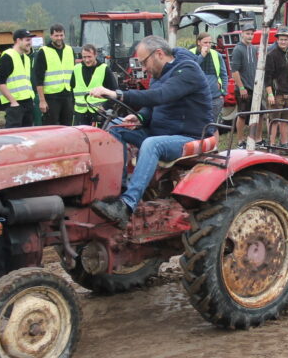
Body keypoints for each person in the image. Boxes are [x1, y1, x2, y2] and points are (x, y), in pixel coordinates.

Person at [89, 36, 212, 227]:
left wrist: (117, 94)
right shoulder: (158, 74)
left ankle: (126, 206)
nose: (144, 69)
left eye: (144, 62)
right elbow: (152, 105)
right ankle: (118, 191)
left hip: (187, 135)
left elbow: (162, 95)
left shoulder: (188, 71)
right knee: (114, 128)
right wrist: (140, 118)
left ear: (159, 54)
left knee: (151, 144)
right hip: (158, 131)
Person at [34, 24, 75, 126]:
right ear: (51, 36)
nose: (59, 38)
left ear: (64, 36)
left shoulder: (70, 50)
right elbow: (38, 78)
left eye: (61, 35)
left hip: (67, 96)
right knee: (51, 127)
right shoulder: (43, 51)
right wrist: (42, 101)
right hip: (51, 97)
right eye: (56, 35)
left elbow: (73, 75)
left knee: (67, 127)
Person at [263, 29, 288, 148]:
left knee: (286, 120)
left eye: (286, 40)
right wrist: (270, 94)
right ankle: (272, 144)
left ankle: (284, 143)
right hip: (277, 93)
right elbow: (267, 76)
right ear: (277, 40)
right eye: (281, 39)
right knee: (274, 120)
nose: (283, 42)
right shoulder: (271, 55)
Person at [0, 29, 36, 128]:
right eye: (27, 40)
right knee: (14, 136)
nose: (30, 43)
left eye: (30, 40)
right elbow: (0, 82)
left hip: (27, 102)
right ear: (18, 41)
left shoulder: (27, 59)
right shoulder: (8, 56)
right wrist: (13, 102)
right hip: (15, 105)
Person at [229, 25, 261, 143]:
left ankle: (258, 139)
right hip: (244, 88)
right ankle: (240, 141)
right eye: (247, 33)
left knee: (260, 114)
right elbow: (234, 71)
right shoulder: (238, 49)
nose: (250, 36)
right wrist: (241, 87)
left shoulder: (254, 48)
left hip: (254, 87)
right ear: (242, 34)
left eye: (252, 34)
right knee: (242, 115)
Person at [72, 44, 117, 125]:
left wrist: (104, 107)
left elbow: (115, 92)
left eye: (89, 57)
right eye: (84, 57)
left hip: (98, 113)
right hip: (80, 114)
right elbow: (70, 90)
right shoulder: (76, 69)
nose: (87, 60)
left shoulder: (104, 69)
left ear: (95, 55)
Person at [193, 33, 228, 124]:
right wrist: (202, 56)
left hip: (215, 97)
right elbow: (191, 69)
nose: (208, 45)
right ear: (199, 42)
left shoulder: (216, 55)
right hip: (197, 97)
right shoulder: (191, 53)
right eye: (205, 42)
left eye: (209, 42)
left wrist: (223, 93)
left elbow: (224, 74)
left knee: (212, 125)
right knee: (199, 124)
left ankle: (213, 138)